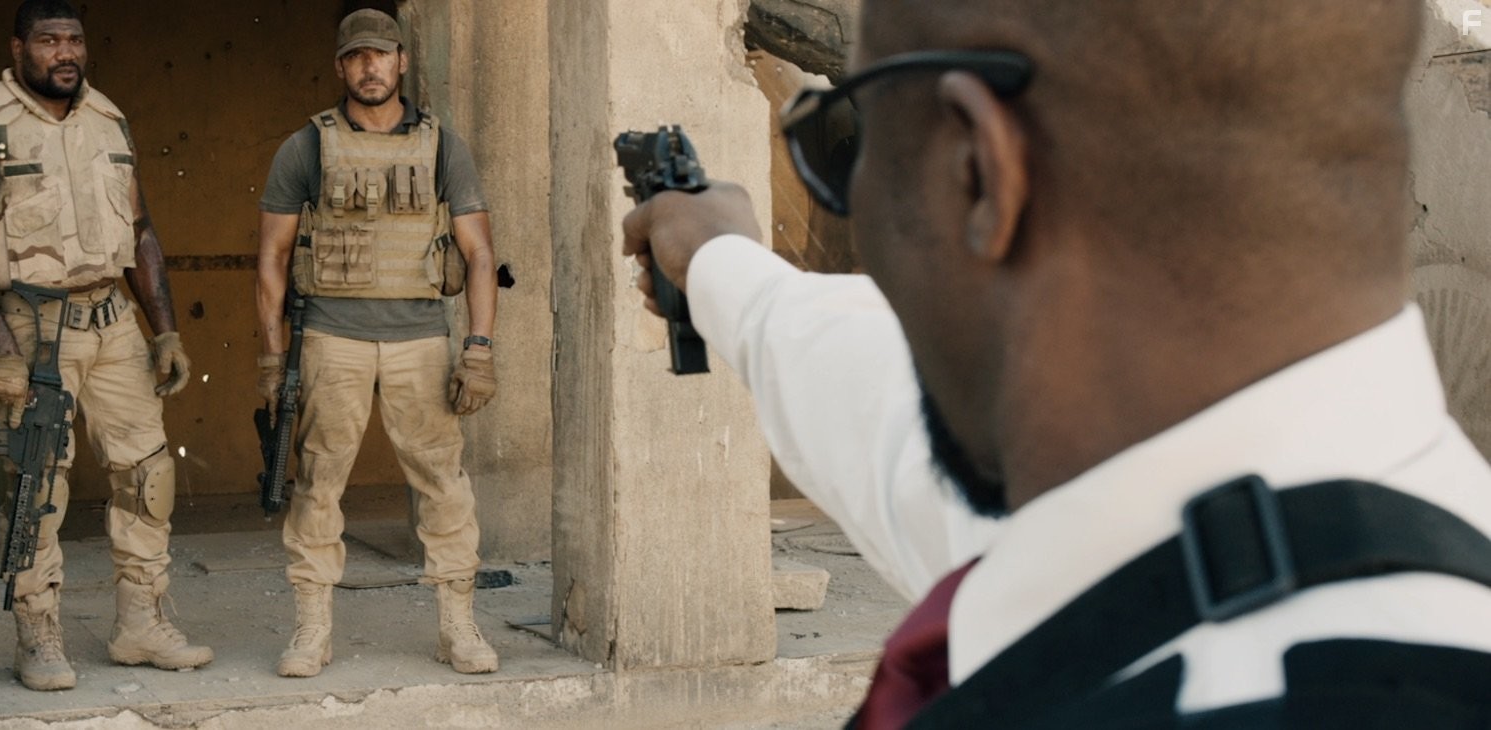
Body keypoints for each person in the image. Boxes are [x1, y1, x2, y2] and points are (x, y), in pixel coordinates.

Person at [622, 0, 1491, 726]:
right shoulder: (1110, 499)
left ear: (977, 174)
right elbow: (869, 401)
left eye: (843, 143)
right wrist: (719, 265)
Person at [0, 0, 212, 692]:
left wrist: (164, 328)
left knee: (148, 472)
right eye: (50, 40)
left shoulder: (108, 118)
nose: (65, 53)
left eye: (75, 41)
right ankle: (38, 635)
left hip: (112, 317)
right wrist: (0, 349)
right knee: (36, 484)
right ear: (19, 47)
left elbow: (141, 231)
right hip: (31, 321)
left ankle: (141, 625)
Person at [255, 9, 501, 679]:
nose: (369, 67)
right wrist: (273, 357)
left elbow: (479, 254)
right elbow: (273, 257)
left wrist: (477, 346)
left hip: (421, 338)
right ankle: (312, 629)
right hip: (332, 339)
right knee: (318, 482)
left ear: (400, 62)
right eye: (356, 56)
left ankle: (458, 626)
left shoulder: (445, 147)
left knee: (444, 484)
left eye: (381, 55)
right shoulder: (306, 147)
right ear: (341, 67)